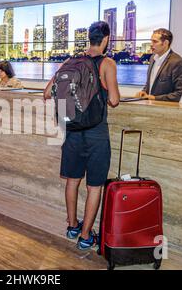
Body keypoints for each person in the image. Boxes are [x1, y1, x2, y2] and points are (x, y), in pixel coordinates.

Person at [44, 21, 120, 250]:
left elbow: (47, 92)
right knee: (94, 186)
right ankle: (86, 236)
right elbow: (114, 100)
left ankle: (72, 225)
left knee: (72, 180)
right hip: (96, 133)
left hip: (72, 132)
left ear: (89, 38)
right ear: (106, 39)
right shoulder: (107, 63)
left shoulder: (70, 61)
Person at [136, 28, 182, 102]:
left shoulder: (178, 62)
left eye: (155, 41)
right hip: (150, 107)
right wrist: (144, 91)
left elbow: (181, 93)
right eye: (151, 41)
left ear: (166, 43)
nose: (151, 44)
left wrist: (155, 98)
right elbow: (151, 82)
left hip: (167, 110)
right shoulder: (152, 58)